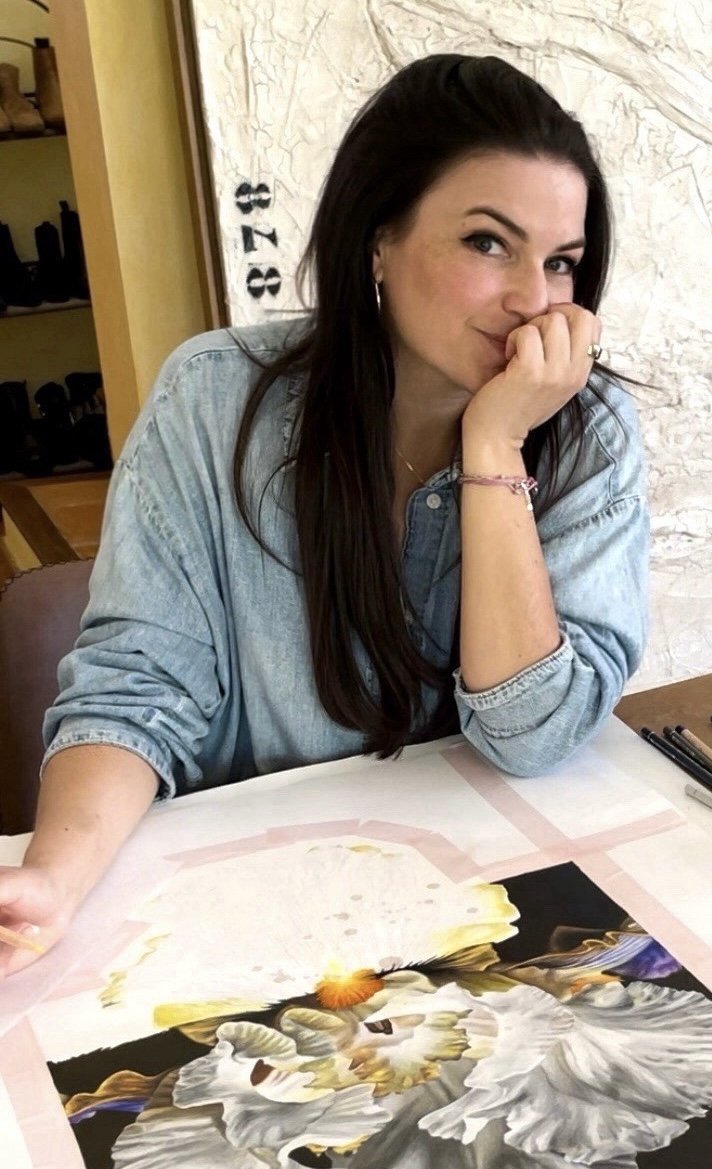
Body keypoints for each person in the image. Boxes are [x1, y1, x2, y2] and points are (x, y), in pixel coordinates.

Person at [0, 53, 649, 976]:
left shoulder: (588, 434)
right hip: (258, 919)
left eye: (561, 263)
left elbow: (534, 735)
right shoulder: (215, 404)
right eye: (487, 243)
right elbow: (137, 690)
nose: (531, 301)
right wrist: (55, 881)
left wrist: (494, 449)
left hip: (491, 901)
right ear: (377, 241)